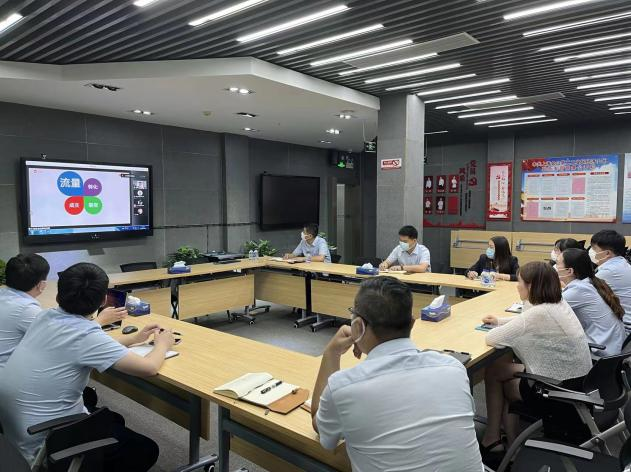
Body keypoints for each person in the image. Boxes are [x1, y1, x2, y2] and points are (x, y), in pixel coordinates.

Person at [0, 262, 175, 470]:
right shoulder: (84, 334)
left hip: (16, 430)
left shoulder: (46, 316)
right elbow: (149, 368)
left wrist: (135, 339)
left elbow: (86, 346)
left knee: (115, 419)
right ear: (103, 300)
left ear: (58, 295)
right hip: (46, 444)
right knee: (145, 449)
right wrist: (163, 344)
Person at [311, 277, 483, 472]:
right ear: (412, 323)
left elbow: (321, 428)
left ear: (357, 326)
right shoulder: (454, 368)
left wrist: (331, 352)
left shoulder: (343, 388)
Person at [479, 261, 592, 454]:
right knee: (498, 369)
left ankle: (499, 440)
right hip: (578, 382)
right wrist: (500, 321)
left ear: (531, 286)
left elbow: (492, 338)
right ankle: (501, 437)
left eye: (520, 282)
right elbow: (527, 322)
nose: (517, 286)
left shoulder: (538, 313)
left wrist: (499, 326)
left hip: (556, 390)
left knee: (498, 376)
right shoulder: (558, 303)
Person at [0, 254, 128, 369]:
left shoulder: (4, 294)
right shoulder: (27, 310)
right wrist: (100, 321)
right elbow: (67, 340)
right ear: (41, 285)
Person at [557, 248, 625, 357]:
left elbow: (547, 310)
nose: (555, 267)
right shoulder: (589, 283)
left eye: (557, 263)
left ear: (569, 271)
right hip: (613, 347)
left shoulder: (578, 290)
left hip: (601, 353)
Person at [591, 230, 631, 330]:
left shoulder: (609, 271)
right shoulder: (621, 262)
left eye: (594, 249)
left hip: (624, 326)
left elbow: (584, 291)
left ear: (607, 253)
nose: (591, 252)